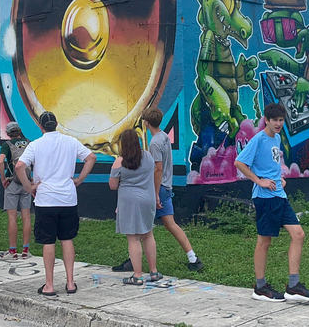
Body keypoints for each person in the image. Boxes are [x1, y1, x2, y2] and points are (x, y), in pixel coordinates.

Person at [234, 103, 309, 302]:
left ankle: (293, 286)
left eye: (281, 120)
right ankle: (260, 286)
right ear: (267, 120)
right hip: (265, 198)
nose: (279, 124)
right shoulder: (259, 139)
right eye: (275, 120)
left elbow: (271, 163)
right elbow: (239, 162)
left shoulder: (277, 138)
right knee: (265, 241)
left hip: (279, 196)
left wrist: (279, 177)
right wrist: (259, 180)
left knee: (298, 234)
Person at [15, 111, 97, 297]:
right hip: (68, 197)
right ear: (57, 124)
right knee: (67, 239)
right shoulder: (70, 141)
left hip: (45, 199)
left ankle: (49, 285)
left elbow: (20, 166)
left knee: (48, 241)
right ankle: (70, 282)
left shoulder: (36, 145)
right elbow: (91, 157)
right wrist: (79, 179)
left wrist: (29, 187)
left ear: (41, 126)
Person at [113, 107, 204, 273]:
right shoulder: (164, 137)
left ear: (146, 123)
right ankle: (193, 257)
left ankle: (134, 263)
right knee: (169, 224)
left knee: (139, 227)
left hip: (158, 187)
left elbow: (158, 168)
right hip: (167, 185)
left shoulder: (154, 143)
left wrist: (154, 193)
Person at [109, 129, 161, 285]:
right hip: (148, 199)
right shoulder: (148, 156)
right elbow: (153, 173)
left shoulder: (120, 161)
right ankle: (153, 272)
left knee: (133, 238)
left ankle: (137, 275)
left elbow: (112, 185)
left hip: (129, 202)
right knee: (148, 234)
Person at [0, 121, 32, 260]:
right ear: (19, 130)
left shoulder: (7, 145)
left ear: (7, 133)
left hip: (12, 181)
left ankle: (12, 251)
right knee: (27, 217)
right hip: (26, 182)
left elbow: (0, 161)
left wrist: (2, 179)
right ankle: (25, 251)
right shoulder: (29, 143)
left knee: (12, 218)